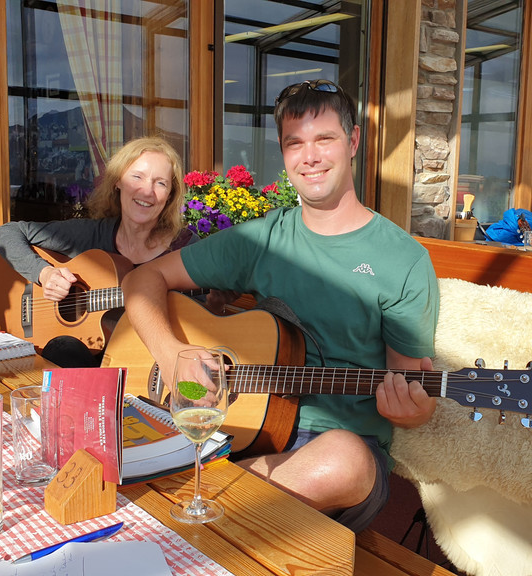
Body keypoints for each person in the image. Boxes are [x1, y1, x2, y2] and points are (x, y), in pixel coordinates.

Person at [120, 80, 439, 532]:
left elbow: (410, 386)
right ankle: (206, 509)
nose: (310, 157)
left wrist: (415, 411)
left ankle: (194, 499)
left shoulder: (403, 259)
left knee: (345, 460)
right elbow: (141, 279)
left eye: (324, 139)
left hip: (326, 454)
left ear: (353, 142)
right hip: (238, 428)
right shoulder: (262, 240)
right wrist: (171, 355)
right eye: (295, 143)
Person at [0, 136, 198, 367]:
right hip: (82, 365)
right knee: (63, 350)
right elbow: (6, 232)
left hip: (146, 366)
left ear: (170, 195)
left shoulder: (186, 248)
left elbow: (202, 318)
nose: (147, 191)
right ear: (118, 181)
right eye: (137, 177)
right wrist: (43, 273)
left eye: (160, 183)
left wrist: (215, 304)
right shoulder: (91, 234)